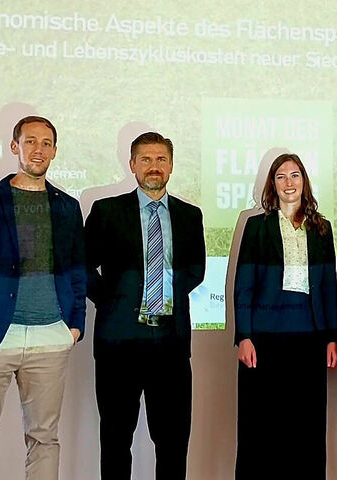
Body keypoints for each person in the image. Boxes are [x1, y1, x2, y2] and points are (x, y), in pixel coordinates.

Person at [0, 116, 85, 479]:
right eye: (30, 141)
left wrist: (74, 326)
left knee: (44, 440)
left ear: (55, 151)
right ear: (15, 146)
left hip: (50, 337)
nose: (38, 149)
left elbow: (76, 271)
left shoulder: (67, 207)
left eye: (46, 143)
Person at [85, 132, 205, 480]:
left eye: (161, 159)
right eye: (146, 160)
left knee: (172, 443)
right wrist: (112, 299)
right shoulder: (107, 211)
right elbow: (83, 264)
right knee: (116, 440)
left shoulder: (189, 214)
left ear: (171, 165)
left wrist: (163, 293)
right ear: (133, 165)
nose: (154, 167)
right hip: (117, 345)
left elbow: (196, 269)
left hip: (171, 346)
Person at [234, 153, 337, 480]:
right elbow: (244, 285)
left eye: (295, 175)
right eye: (281, 176)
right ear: (272, 184)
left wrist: (332, 337)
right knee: (259, 427)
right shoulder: (257, 226)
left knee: (306, 428)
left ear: (304, 182)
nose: (289, 182)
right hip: (264, 340)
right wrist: (244, 336)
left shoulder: (322, 228)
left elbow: (327, 288)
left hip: (309, 339)